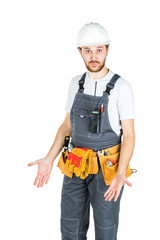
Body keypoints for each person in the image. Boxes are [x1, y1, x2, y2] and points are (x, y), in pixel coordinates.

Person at [28, 22, 136, 240]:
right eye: (88, 51)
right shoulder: (75, 83)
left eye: (98, 50)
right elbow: (66, 125)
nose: (93, 56)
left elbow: (130, 135)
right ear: (80, 52)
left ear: (107, 49)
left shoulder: (121, 87)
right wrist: (49, 158)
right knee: (71, 227)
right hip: (75, 164)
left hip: (107, 170)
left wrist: (121, 172)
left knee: (106, 229)